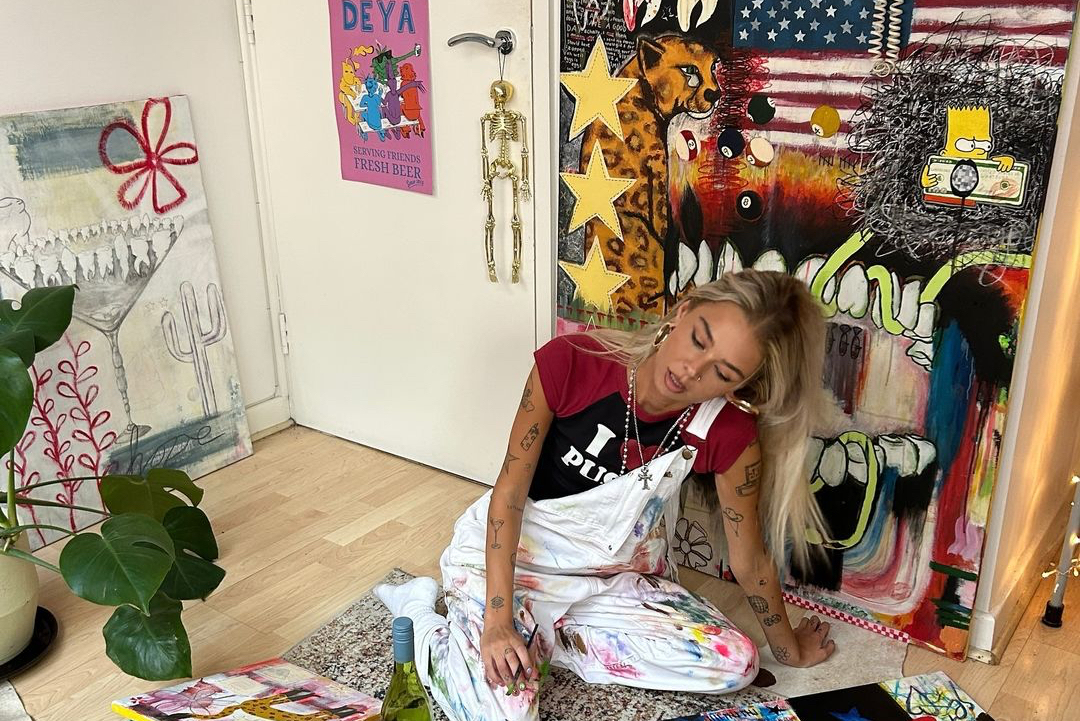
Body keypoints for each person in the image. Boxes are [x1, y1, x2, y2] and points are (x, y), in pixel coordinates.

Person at [376, 269, 837, 721]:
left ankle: (547, 637)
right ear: (684, 311)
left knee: (735, 663)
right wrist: (498, 623)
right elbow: (509, 494)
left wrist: (789, 651)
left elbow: (749, 559)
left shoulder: (728, 431)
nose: (691, 370)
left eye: (722, 371)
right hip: (514, 561)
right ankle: (418, 611)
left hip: (612, 577)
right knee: (505, 714)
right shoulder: (571, 362)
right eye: (699, 339)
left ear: (740, 386)